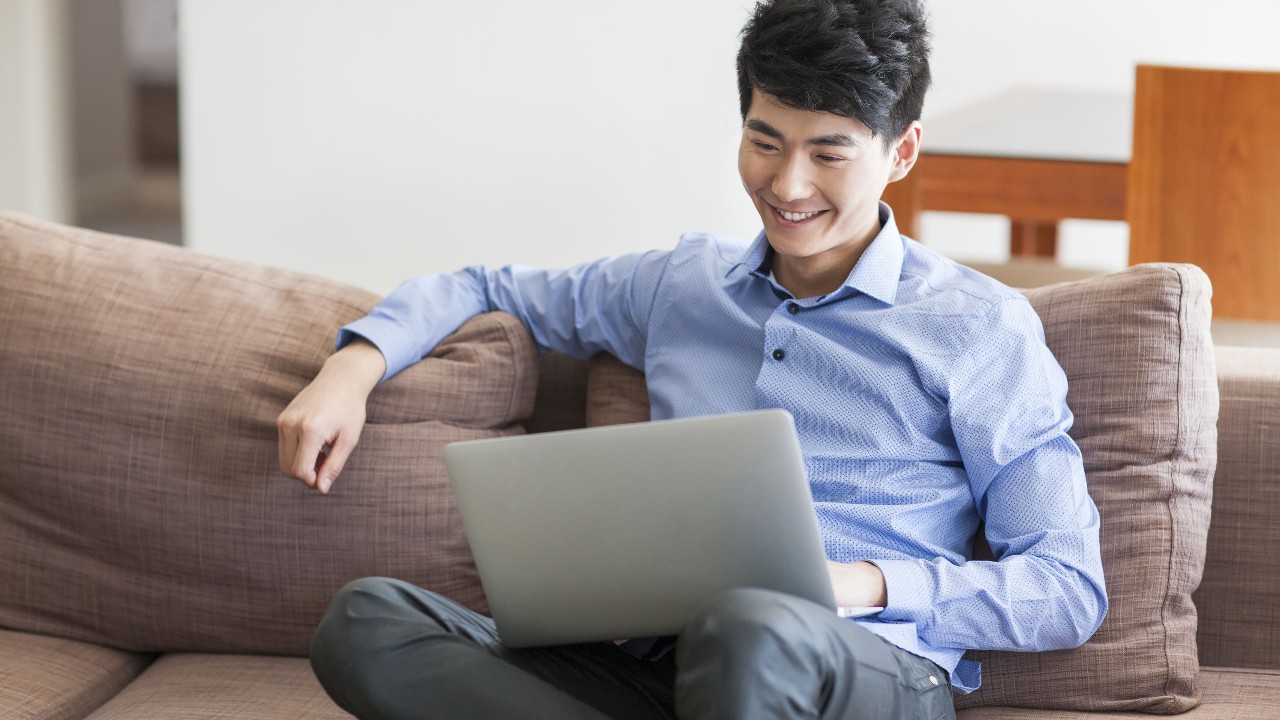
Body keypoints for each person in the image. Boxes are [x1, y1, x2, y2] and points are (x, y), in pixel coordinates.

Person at [278, 1, 1108, 718]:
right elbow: (486, 284)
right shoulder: (682, 285)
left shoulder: (978, 327)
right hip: (663, 669)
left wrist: (857, 582)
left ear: (901, 151)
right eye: (764, 140)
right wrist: (352, 368)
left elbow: (1067, 588)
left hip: (863, 672)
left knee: (749, 627)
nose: (787, 185)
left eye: (829, 152)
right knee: (367, 623)